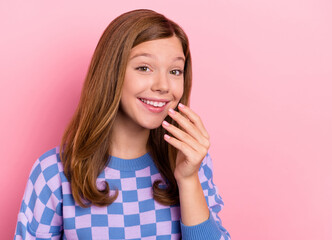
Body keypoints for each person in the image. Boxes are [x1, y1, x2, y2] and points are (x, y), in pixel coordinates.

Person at [14, 9, 231, 240]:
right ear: (112, 73)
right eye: (144, 68)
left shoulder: (191, 162)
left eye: (175, 71)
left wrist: (188, 180)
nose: (163, 85)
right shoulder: (53, 173)